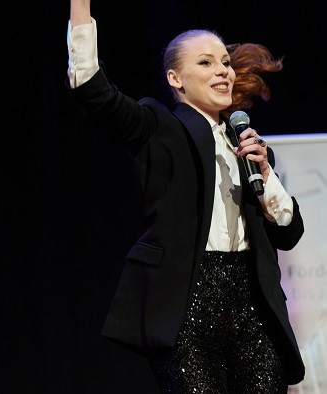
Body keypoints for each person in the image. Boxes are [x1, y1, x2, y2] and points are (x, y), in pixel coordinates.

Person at [67, 1, 305, 392]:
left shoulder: (249, 148)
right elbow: (92, 90)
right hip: (186, 300)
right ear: (176, 78)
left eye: (225, 63)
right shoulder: (160, 128)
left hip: (252, 302)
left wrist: (265, 172)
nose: (223, 72)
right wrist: (80, 7)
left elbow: (288, 232)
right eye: (207, 63)